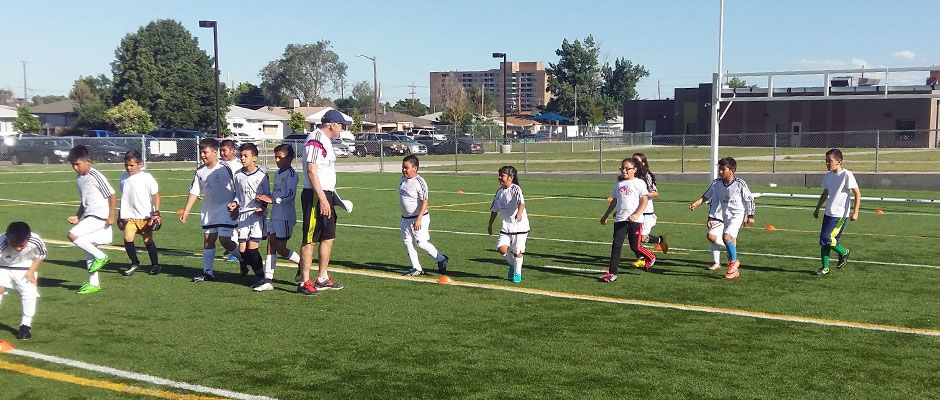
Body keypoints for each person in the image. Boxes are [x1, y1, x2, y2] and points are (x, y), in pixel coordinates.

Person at [297, 110, 347, 295]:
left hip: (326, 194)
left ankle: (322, 277)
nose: (342, 129)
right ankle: (304, 281)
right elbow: (311, 170)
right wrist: (322, 198)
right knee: (310, 237)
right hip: (315, 195)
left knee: (328, 236)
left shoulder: (326, 141)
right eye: (341, 125)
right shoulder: (315, 138)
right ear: (332, 124)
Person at [180, 138, 240, 282]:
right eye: (201, 152)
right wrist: (186, 211)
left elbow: (238, 188)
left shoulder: (226, 168)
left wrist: (236, 204)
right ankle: (208, 273)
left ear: (214, 152)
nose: (202, 155)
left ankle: (243, 259)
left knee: (225, 240)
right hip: (209, 211)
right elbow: (194, 191)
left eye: (205, 152)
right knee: (208, 240)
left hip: (226, 209)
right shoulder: (200, 171)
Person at [689, 157, 755, 280]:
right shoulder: (717, 183)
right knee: (730, 242)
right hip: (725, 216)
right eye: (719, 169)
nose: (720, 172)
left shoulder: (740, 183)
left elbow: (749, 199)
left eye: (723, 169)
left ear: (732, 170)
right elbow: (707, 196)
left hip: (737, 215)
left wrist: (750, 215)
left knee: (726, 237)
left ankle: (734, 262)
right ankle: (734, 269)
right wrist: (697, 204)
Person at [66, 145, 116, 294]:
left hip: (100, 216)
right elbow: (84, 202)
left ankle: (101, 256)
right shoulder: (79, 179)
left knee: (72, 235)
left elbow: (112, 195)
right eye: (73, 165)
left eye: (77, 164)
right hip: (89, 215)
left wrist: (111, 216)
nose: (75, 168)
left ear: (88, 161)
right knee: (88, 249)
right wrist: (77, 216)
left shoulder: (96, 175)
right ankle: (93, 284)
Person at [600, 157, 656, 282]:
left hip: (635, 220)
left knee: (635, 246)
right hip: (620, 219)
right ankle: (612, 273)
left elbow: (644, 200)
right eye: (622, 168)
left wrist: (636, 214)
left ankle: (651, 256)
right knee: (616, 245)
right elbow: (614, 201)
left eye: (627, 168)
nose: (624, 171)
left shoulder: (639, 183)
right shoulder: (619, 184)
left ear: (634, 170)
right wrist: (606, 215)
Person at [228, 143, 270, 288]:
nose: (242, 158)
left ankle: (261, 277)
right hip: (243, 216)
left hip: (256, 216)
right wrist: (234, 203)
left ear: (254, 158)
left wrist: (263, 207)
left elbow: (267, 195)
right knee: (242, 251)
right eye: (241, 156)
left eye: (246, 156)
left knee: (252, 249)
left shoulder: (262, 174)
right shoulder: (238, 175)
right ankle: (252, 268)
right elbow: (237, 195)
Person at [398, 155, 448, 276]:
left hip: (419, 218)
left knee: (421, 243)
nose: (404, 170)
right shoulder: (402, 180)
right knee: (407, 242)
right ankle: (417, 268)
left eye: (406, 167)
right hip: (405, 219)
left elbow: (425, 201)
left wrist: (419, 219)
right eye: (403, 167)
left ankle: (441, 259)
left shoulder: (419, 182)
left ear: (415, 168)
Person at [813, 148, 860, 276]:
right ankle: (825, 268)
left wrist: (855, 212)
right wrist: (817, 208)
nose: (827, 163)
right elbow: (825, 193)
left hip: (839, 215)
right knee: (825, 242)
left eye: (830, 161)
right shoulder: (828, 175)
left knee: (826, 238)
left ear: (839, 161)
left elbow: (857, 193)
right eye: (826, 161)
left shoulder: (846, 175)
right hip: (828, 213)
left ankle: (844, 252)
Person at [117, 150, 162, 276]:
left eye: (131, 165)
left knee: (147, 240)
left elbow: (156, 195)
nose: (128, 168)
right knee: (127, 238)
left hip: (145, 216)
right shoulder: (123, 178)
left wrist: (156, 213)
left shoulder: (146, 177)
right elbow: (124, 197)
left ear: (140, 164)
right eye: (126, 165)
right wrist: (120, 215)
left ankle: (155, 265)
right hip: (129, 216)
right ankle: (135, 262)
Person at [0, 222, 47, 340]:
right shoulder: (1, 242)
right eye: (14, 245)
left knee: (29, 292)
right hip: (3, 265)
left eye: (21, 245)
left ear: (28, 238)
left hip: (25, 266)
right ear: (7, 238)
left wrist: (31, 272)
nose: (18, 248)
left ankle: (25, 325)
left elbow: (41, 254)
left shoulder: (36, 241)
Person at [487, 166, 529, 283]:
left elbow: (521, 203)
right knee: (501, 248)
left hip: (519, 227)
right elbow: (494, 209)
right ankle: (513, 265)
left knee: (517, 251)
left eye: (502, 175)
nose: (499, 177)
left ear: (510, 177)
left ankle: (517, 274)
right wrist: (490, 224)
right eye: (499, 175)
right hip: (506, 227)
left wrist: (519, 214)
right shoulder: (499, 192)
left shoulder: (516, 189)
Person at [631, 152, 668, 269]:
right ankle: (641, 258)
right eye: (633, 160)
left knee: (642, 238)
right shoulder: (630, 176)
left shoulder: (646, 176)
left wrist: (643, 194)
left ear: (643, 163)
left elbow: (655, 193)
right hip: (634, 212)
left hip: (646, 212)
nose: (634, 163)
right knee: (633, 236)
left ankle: (660, 240)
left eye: (637, 161)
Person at [219, 139, 242, 263]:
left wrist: (236, 202)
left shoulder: (238, 166)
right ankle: (232, 249)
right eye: (221, 150)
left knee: (235, 227)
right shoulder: (220, 164)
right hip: (222, 201)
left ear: (233, 151)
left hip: (235, 201)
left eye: (225, 150)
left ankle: (236, 253)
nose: (222, 153)